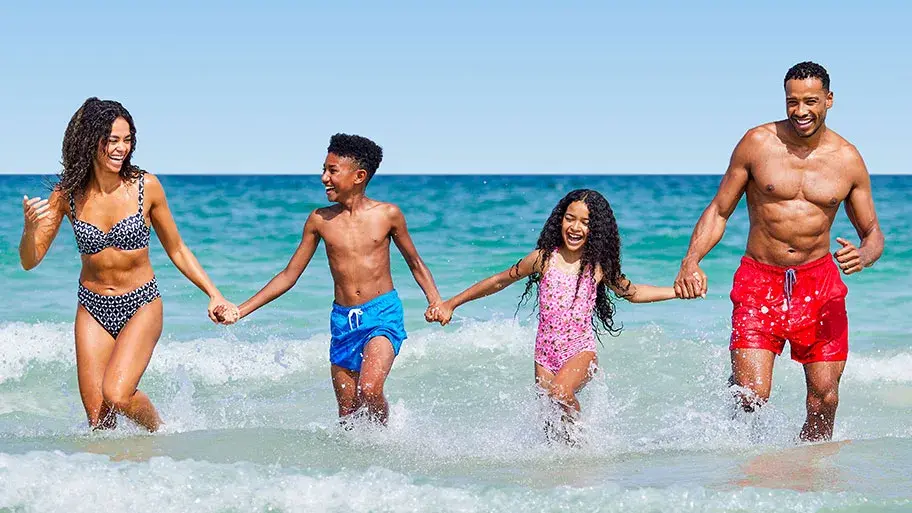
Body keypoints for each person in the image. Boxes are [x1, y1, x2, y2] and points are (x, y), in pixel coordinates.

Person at [674, 61, 884, 442]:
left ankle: (807, 471)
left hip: (819, 285)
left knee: (825, 399)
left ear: (829, 100)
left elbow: (872, 233)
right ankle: (745, 472)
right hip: (760, 279)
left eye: (810, 101)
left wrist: (865, 255)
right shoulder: (757, 143)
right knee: (751, 396)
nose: (800, 111)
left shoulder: (848, 159)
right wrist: (691, 260)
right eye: (792, 102)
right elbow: (720, 209)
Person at [19, 97, 237, 432]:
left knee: (118, 394)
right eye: (112, 140)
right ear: (92, 141)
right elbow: (30, 261)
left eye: (127, 139)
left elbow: (177, 248)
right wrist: (30, 229)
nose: (121, 148)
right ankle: (117, 477)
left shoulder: (145, 186)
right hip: (92, 307)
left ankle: (160, 433)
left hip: (141, 303)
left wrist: (214, 293)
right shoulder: (67, 195)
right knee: (99, 423)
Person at [426, 189, 688, 442]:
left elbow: (634, 292)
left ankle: (588, 448)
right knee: (552, 428)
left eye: (585, 222)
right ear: (559, 220)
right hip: (544, 355)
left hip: (580, 350)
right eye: (570, 218)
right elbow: (498, 281)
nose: (575, 227)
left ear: (596, 230)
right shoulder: (542, 259)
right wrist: (452, 303)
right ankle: (565, 475)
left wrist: (677, 291)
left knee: (561, 393)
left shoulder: (597, 266)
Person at [216, 133, 442, 426]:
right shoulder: (319, 220)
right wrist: (240, 309)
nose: (324, 177)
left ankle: (386, 442)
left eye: (332, 171)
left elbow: (415, 262)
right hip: (343, 320)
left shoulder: (387, 215)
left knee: (370, 390)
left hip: (382, 313)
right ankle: (356, 465)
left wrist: (434, 299)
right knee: (347, 415)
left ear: (359, 176)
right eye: (324, 169)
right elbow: (289, 275)